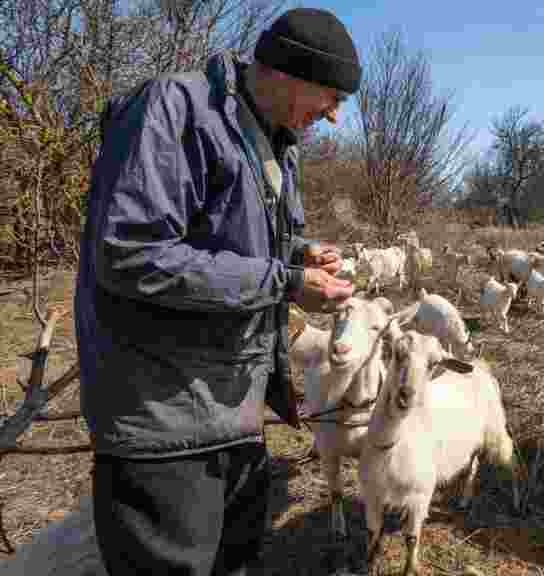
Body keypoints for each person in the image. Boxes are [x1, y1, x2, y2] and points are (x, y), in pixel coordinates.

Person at [73, 7, 362, 575]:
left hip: (234, 411)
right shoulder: (173, 111)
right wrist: (286, 282)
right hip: (164, 423)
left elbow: (222, 239)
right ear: (287, 72)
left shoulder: (275, 141)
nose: (331, 116)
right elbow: (132, 253)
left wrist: (297, 251)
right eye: (330, 96)